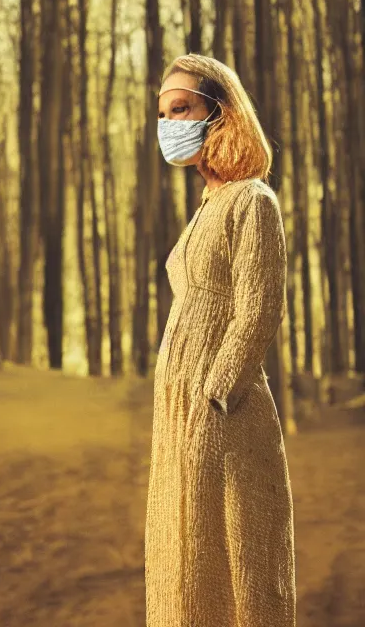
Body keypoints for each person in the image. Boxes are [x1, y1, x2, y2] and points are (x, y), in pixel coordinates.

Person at [144, 53, 296, 627]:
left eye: (181, 109)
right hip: (180, 417)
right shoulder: (206, 208)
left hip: (224, 418)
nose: (169, 124)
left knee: (237, 564)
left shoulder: (252, 200)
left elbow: (256, 312)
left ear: (221, 113)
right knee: (183, 563)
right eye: (163, 114)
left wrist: (213, 398)